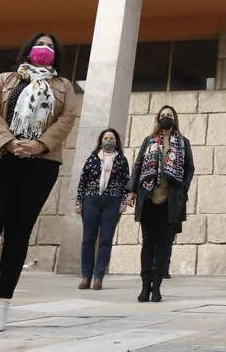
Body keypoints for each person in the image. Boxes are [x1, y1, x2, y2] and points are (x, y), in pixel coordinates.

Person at [0, 33, 75, 336]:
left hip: (39, 163)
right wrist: (9, 141)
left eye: (49, 45)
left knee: (18, 234)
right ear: (29, 49)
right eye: (39, 43)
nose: (43, 48)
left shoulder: (64, 86)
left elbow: (67, 117)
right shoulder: (6, 79)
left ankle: (2, 305)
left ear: (55, 54)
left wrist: (40, 145)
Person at [126, 106, 195, 303]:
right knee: (148, 242)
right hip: (148, 197)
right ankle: (144, 286)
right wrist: (132, 190)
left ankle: (157, 286)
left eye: (170, 116)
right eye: (163, 115)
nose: (166, 118)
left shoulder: (183, 143)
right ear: (158, 119)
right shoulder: (149, 141)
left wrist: (183, 189)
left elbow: (190, 168)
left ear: (175, 120)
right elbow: (138, 165)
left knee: (164, 244)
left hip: (170, 201)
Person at [76, 128, 130, 290]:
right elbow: (83, 180)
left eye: (111, 138)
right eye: (106, 138)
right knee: (88, 239)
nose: (108, 140)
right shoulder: (92, 159)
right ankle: (86, 276)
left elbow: (125, 183)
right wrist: (79, 201)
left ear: (116, 142)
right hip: (91, 199)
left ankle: (98, 277)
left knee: (106, 240)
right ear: (101, 141)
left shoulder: (121, 160)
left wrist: (123, 202)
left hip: (112, 202)